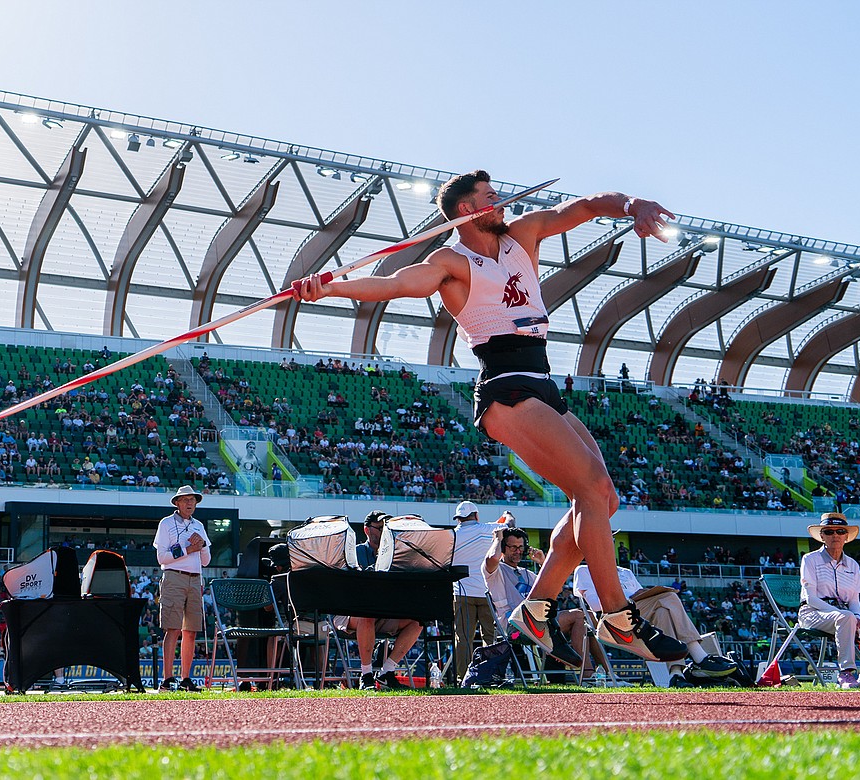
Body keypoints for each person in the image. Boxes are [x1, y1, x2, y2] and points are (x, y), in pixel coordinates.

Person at [292, 170, 687, 666]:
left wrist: (632, 204)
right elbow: (396, 284)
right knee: (588, 488)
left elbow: (584, 207)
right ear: (466, 211)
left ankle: (537, 610)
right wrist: (327, 289)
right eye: (490, 198)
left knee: (602, 497)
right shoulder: (450, 262)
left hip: (542, 379)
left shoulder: (523, 233)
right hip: (505, 385)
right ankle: (617, 618)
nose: (502, 202)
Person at [572, 563, 737, 687]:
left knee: (663, 612)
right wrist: (626, 599)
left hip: (638, 615)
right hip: (613, 616)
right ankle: (700, 657)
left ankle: (676, 674)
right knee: (669, 598)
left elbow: (643, 597)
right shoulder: (584, 569)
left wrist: (642, 594)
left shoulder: (625, 572)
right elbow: (594, 605)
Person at [483, 526, 607, 682]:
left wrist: (543, 563)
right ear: (503, 548)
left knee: (586, 617)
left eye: (521, 547)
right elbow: (492, 559)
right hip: (514, 627)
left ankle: (602, 673)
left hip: (538, 622)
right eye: (513, 547)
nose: (518, 551)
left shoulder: (527, 574)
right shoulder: (496, 571)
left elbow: (556, 589)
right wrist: (497, 538)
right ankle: (587, 674)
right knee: (579, 616)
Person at [333, 511, 421, 690]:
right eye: (380, 528)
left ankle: (386, 672)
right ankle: (366, 675)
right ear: (367, 530)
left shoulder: (396, 554)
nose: (384, 532)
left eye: (386, 528)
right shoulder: (355, 552)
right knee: (367, 614)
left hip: (383, 611)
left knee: (418, 621)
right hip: (350, 613)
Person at [152, 485, 211, 692]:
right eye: (185, 500)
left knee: (191, 631)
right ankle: (168, 679)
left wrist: (202, 546)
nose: (189, 503)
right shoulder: (166, 523)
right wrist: (189, 549)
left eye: (192, 500)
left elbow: (206, 561)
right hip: (174, 576)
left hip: (195, 579)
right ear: (177, 503)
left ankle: (186, 678)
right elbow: (162, 558)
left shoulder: (199, 525)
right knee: (173, 628)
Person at [799, 513, 860, 689]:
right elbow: (811, 598)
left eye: (840, 531)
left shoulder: (853, 565)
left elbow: (854, 599)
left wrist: (857, 615)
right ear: (822, 536)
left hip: (845, 613)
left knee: (854, 617)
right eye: (829, 531)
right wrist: (844, 614)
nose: (835, 535)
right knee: (846, 617)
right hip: (812, 612)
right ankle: (846, 674)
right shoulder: (809, 559)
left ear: (846, 536)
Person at [452, 500, 497, 679]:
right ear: (476, 516)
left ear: (458, 519)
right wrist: (508, 516)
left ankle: (463, 677)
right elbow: (508, 525)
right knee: (490, 637)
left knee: (463, 639)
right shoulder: (488, 529)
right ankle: (490, 674)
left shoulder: (452, 536)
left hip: (462, 593)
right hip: (487, 592)